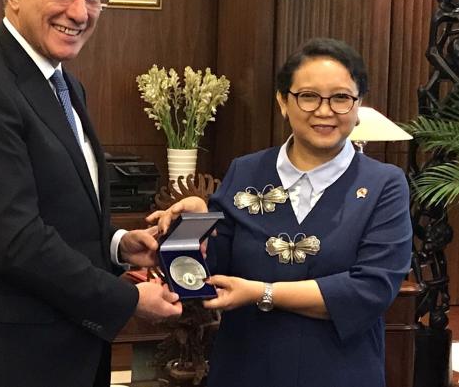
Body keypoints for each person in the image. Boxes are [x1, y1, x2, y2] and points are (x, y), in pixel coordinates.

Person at [0, 0, 182, 386]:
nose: (80, 12)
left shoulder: (66, 85)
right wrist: (127, 299)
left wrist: (118, 244)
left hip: (58, 354)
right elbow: (14, 241)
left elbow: (54, 210)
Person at [149, 38, 413, 387]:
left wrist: (263, 292)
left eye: (340, 97)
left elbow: (371, 289)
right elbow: (210, 269)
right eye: (308, 96)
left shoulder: (384, 184)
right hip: (246, 367)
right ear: (283, 101)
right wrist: (198, 222)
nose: (324, 110)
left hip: (341, 371)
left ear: (358, 104)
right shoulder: (245, 171)